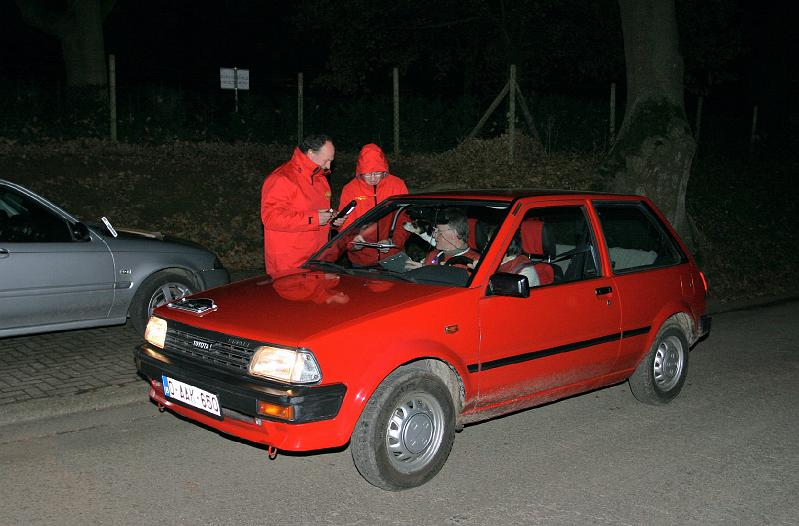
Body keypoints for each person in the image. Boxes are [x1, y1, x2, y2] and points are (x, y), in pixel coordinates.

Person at [260, 134, 345, 277]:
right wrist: (315, 219)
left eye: (331, 161)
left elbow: (317, 212)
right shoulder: (282, 178)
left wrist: (332, 218)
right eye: (326, 160)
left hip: (316, 258)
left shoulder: (320, 179)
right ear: (311, 153)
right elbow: (271, 217)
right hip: (290, 263)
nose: (329, 166)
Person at [339, 144, 408, 266]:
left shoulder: (397, 185)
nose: (373, 178)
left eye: (377, 173)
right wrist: (353, 243)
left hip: (392, 255)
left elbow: (405, 218)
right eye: (367, 173)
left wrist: (394, 241)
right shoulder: (350, 190)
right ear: (360, 172)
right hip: (361, 259)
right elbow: (344, 224)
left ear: (384, 170)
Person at [405, 208, 480, 270]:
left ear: (454, 234)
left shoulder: (474, 263)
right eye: (434, 230)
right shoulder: (434, 254)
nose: (434, 235)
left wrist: (428, 272)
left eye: (439, 231)